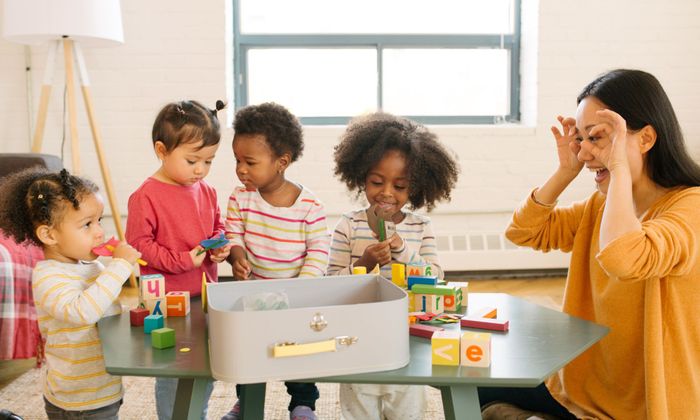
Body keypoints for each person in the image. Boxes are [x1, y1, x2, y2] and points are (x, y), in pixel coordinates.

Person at [482, 69, 700, 419]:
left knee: (492, 407)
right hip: (583, 388)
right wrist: (565, 172)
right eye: (580, 139)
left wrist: (617, 169)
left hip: (644, 405)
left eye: (597, 138)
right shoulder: (600, 206)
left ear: (645, 139)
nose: (584, 153)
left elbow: (625, 257)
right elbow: (524, 232)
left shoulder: (691, 207)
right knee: (474, 379)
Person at [329, 112, 459, 420]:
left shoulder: (421, 227)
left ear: (415, 188)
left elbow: (435, 277)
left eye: (400, 186)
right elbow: (331, 282)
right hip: (360, 336)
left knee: (406, 403)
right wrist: (364, 262)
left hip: (407, 335)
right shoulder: (348, 226)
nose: (387, 193)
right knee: (360, 400)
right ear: (361, 176)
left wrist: (401, 247)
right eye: (377, 182)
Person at [0, 168, 141, 419]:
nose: (99, 232)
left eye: (99, 221)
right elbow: (83, 311)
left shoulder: (91, 266)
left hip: (103, 389)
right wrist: (119, 267)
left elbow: (105, 308)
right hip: (76, 400)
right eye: (87, 224)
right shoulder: (48, 276)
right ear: (49, 234)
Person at [222, 102, 330, 420]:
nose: (241, 169)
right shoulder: (239, 198)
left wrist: (300, 289)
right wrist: (236, 256)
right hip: (254, 296)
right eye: (237, 160)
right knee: (251, 352)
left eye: (250, 162)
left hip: (296, 298)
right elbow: (233, 235)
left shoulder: (309, 204)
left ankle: (303, 404)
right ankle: (247, 402)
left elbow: (319, 252)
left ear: (281, 162)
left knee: (298, 353)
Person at [126, 99, 230, 420]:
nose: (200, 169)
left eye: (209, 161)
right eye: (192, 160)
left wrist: (220, 247)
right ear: (161, 149)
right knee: (172, 369)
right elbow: (139, 247)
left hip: (205, 295)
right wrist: (184, 260)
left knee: (206, 364)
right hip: (166, 301)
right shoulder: (146, 196)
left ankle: (196, 414)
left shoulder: (207, 190)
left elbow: (217, 226)